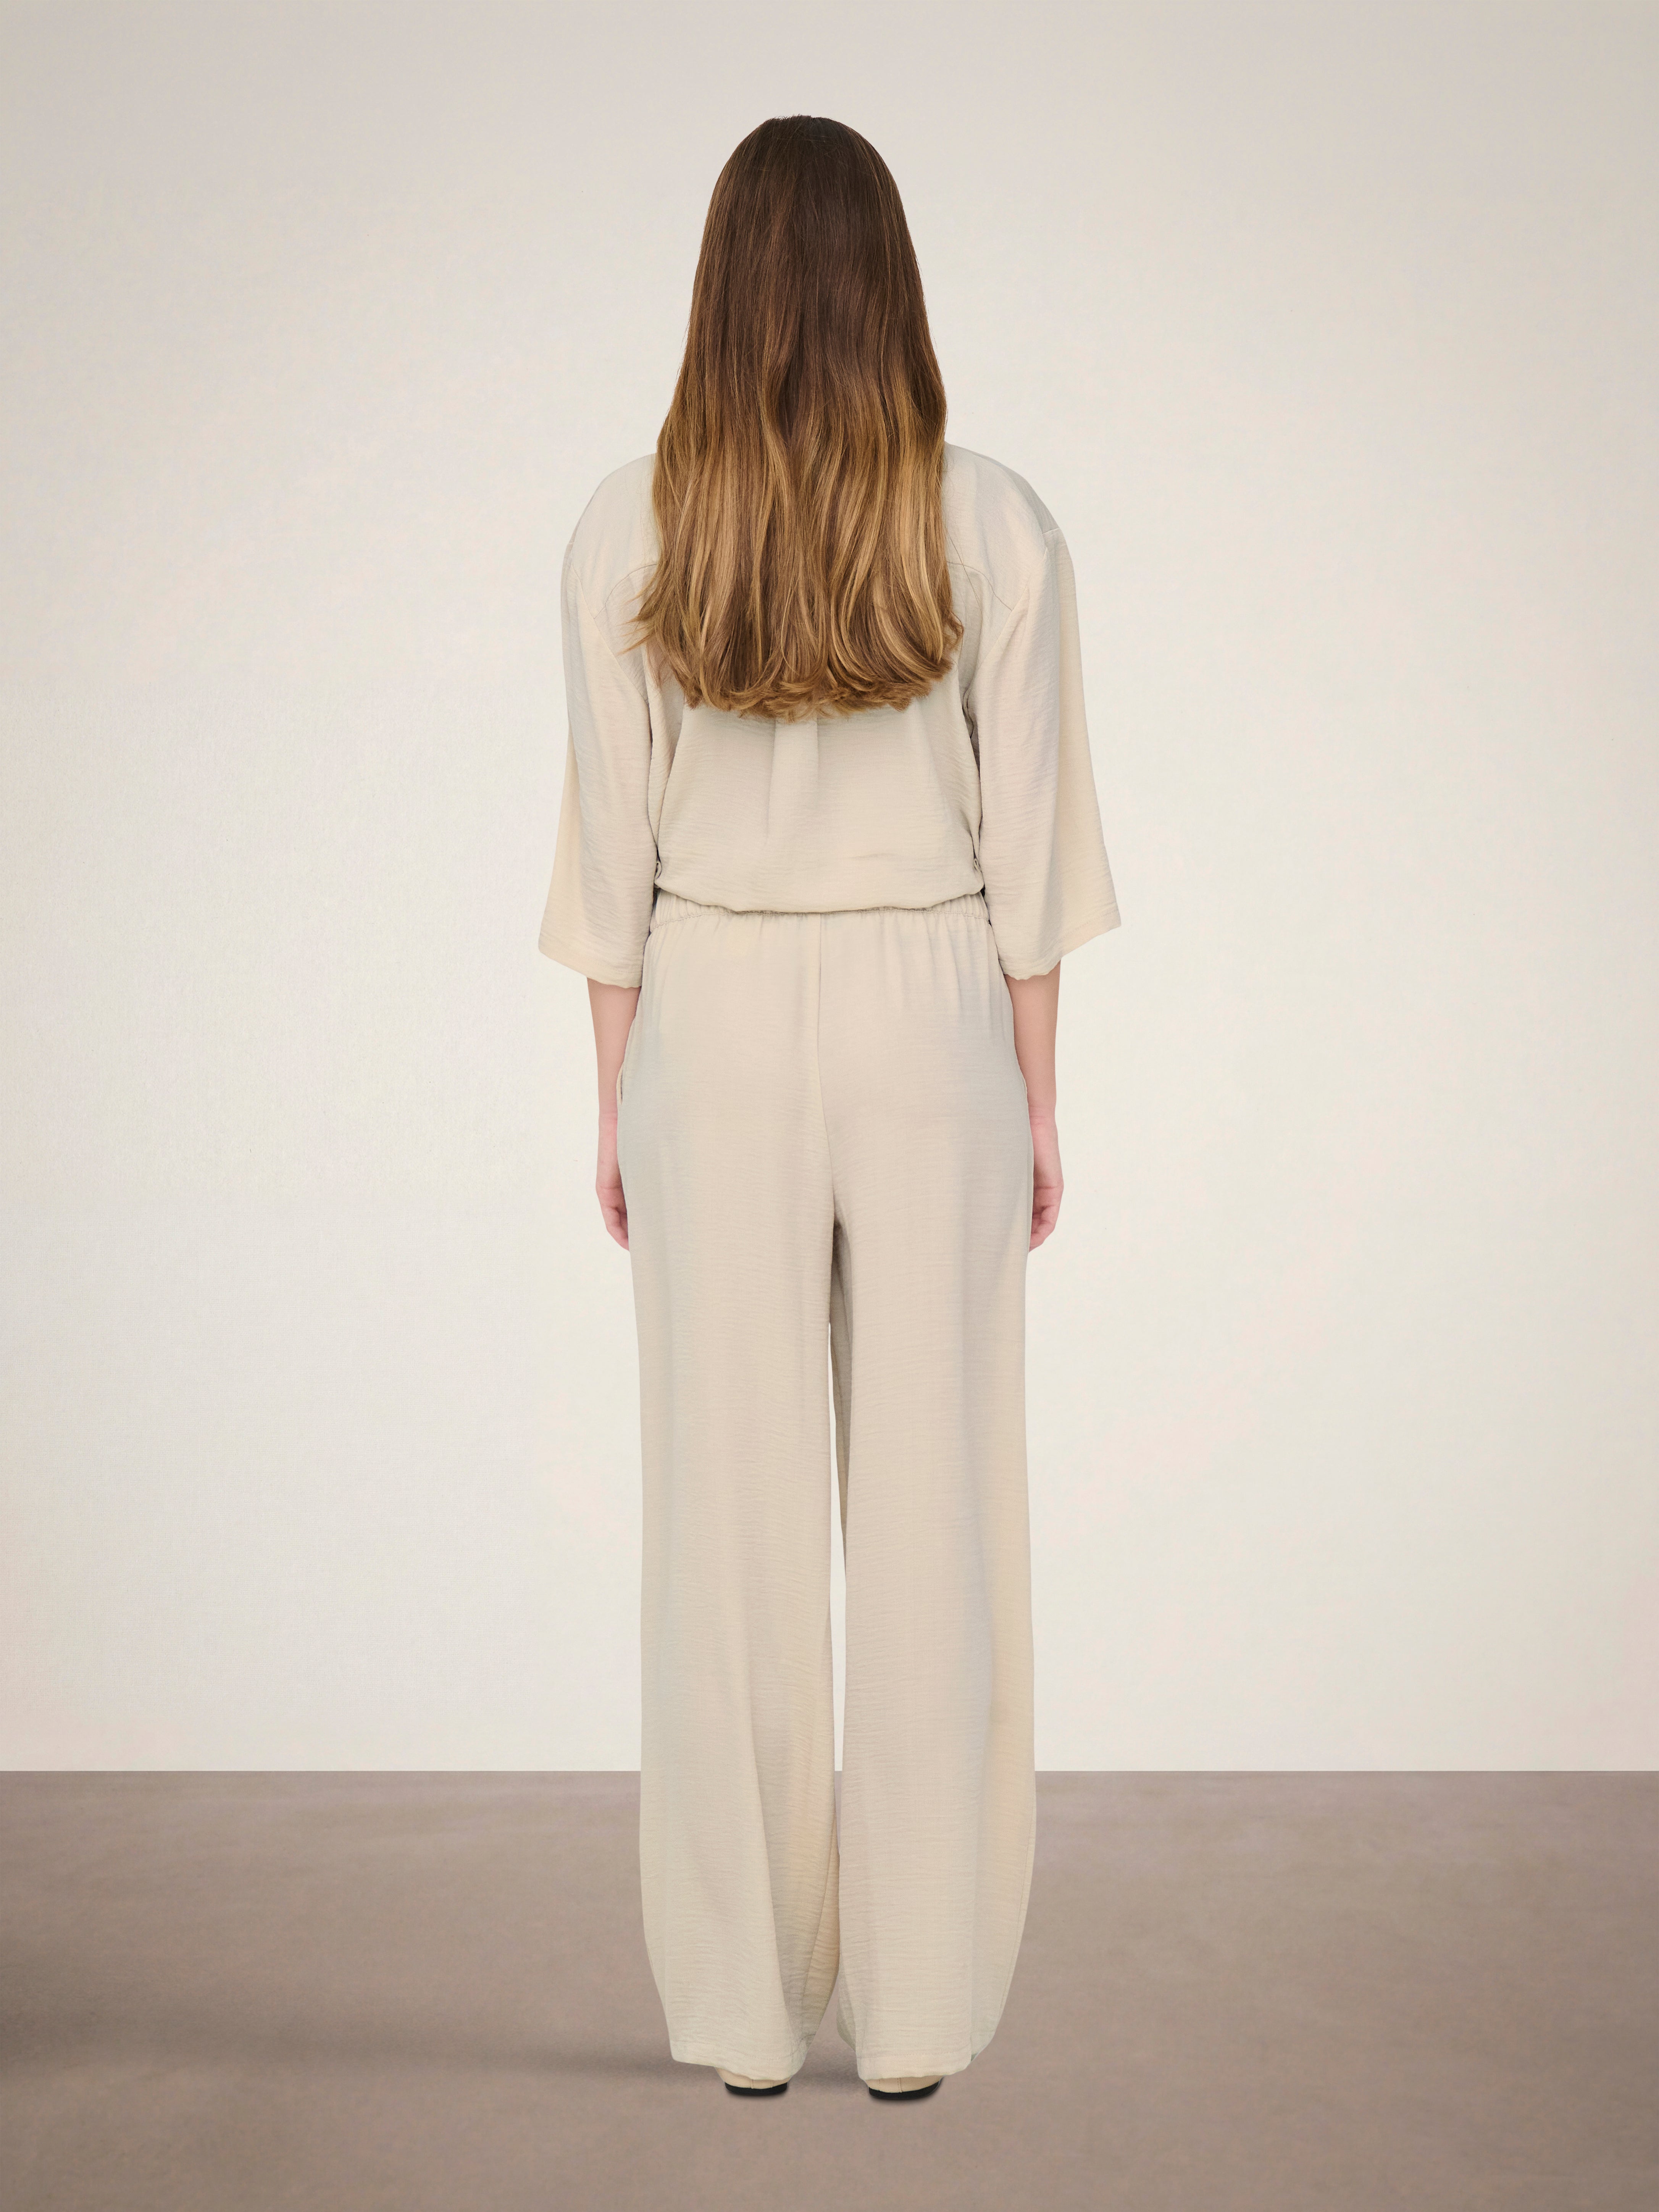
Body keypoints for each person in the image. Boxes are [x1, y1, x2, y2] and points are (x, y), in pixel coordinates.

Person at [537, 115, 1122, 2102]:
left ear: (719, 286)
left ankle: (737, 2014)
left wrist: (615, 1100)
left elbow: (609, 853)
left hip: (707, 1002)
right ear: (896, 287)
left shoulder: (632, 529)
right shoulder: (994, 524)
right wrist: (1039, 1101)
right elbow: (1034, 852)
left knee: (724, 1523)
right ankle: (923, 2009)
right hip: (931, 999)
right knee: (938, 1506)